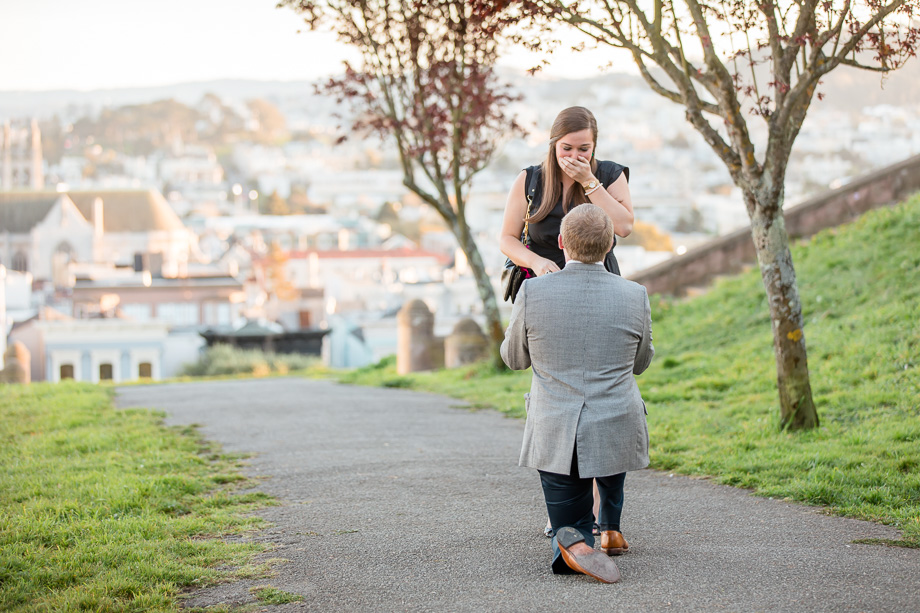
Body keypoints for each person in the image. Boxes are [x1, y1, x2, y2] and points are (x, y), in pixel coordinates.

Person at [500, 204, 654, 584]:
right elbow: (641, 362)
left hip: (556, 426)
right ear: (610, 245)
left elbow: (514, 359)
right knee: (608, 448)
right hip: (617, 420)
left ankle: (576, 539)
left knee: (568, 519)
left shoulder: (533, 293)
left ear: (560, 242)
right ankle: (606, 529)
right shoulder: (635, 294)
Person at [499, 106, 635, 537]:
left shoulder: (609, 175)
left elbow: (625, 227)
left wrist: (588, 182)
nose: (574, 155)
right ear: (553, 143)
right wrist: (537, 263)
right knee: (554, 400)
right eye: (566, 148)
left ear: (595, 146)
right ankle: (568, 508)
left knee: (603, 398)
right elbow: (506, 237)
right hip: (546, 295)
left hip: (599, 291)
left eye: (584, 148)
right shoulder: (531, 180)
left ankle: (590, 515)